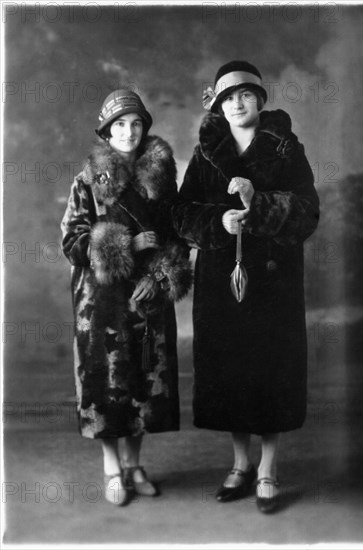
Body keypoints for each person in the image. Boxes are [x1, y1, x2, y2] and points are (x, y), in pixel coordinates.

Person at [173, 61, 319, 513]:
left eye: (246, 95)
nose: (237, 103)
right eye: (228, 97)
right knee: (232, 370)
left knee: (270, 369)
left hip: (273, 280)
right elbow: (181, 215)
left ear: (260, 99)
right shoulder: (206, 152)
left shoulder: (284, 147)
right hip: (221, 278)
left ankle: (268, 467)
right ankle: (239, 463)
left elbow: (308, 210)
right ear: (218, 104)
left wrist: (258, 204)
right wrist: (218, 220)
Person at [61, 89, 192, 506]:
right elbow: (72, 240)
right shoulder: (88, 181)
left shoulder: (161, 177)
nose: (129, 131)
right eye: (119, 124)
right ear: (105, 131)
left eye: (136, 123)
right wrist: (125, 244)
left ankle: (135, 465)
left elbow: (177, 238)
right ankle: (112, 468)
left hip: (147, 299)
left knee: (143, 383)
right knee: (108, 384)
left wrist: (159, 273)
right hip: (102, 303)